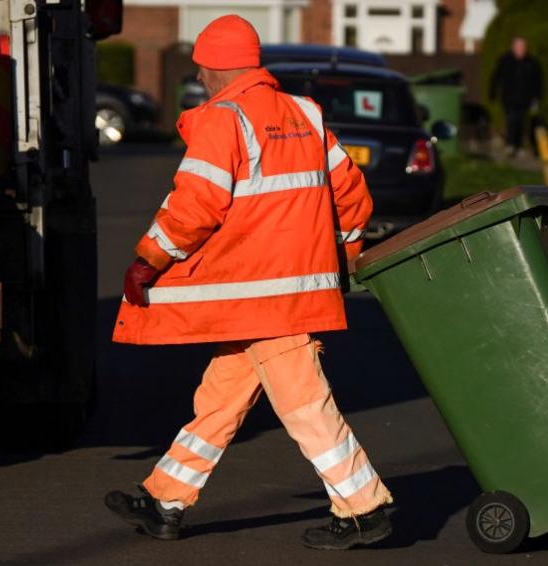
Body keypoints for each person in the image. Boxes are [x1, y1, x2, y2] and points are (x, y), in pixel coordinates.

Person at [103, 15, 393, 550]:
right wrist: (346, 253)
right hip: (284, 295)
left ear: (216, 67)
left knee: (304, 404)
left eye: (201, 69)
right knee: (219, 399)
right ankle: (166, 500)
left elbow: (195, 203)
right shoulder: (305, 113)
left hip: (261, 297)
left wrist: (148, 259)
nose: (200, 78)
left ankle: (364, 507)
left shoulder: (224, 119)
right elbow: (350, 191)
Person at [489, 36, 544, 158]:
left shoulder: (532, 62)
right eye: (518, 47)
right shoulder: (505, 60)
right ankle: (511, 145)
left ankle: (518, 145)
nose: (521, 50)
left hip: (525, 98)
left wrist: (537, 97)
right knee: (511, 120)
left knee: (521, 122)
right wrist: (492, 92)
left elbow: (538, 81)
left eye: (523, 47)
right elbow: (496, 76)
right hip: (509, 97)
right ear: (513, 48)